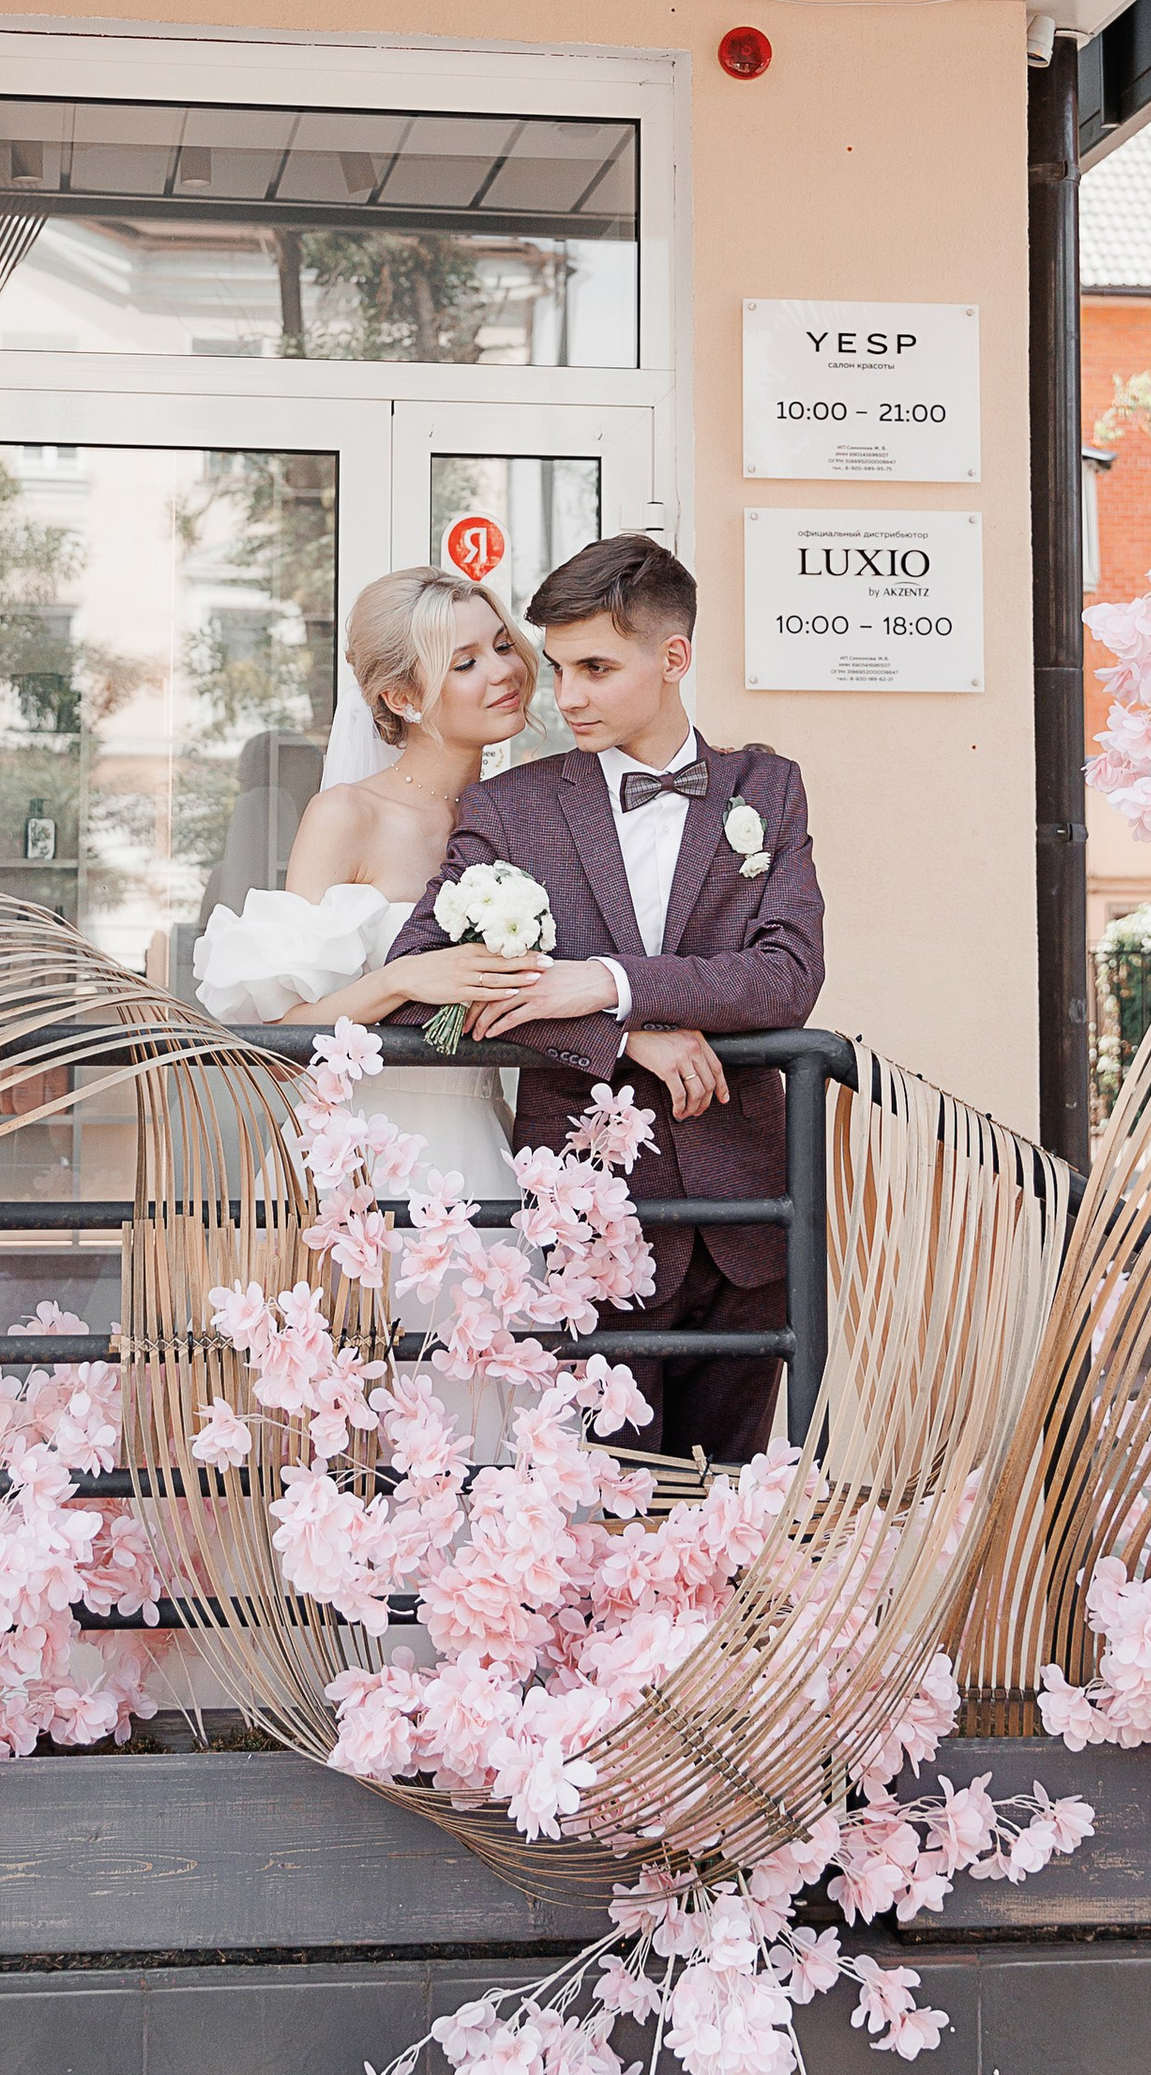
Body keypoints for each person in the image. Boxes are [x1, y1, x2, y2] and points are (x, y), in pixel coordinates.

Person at [386, 531, 825, 1463]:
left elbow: (788, 974)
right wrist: (616, 1031)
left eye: (595, 667)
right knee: (602, 1510)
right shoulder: (511, 808)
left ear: (674, 657)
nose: (567, 696)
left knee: (732, 1508)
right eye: (557, 667)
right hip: (586, 1227)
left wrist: (612, 979)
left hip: (752, 1221)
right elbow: (420, 986)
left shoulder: (768, 787)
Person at [189, 561, 549, 1236]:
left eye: (503, 645)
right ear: (403, 698)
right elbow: (282, 1036)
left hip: (483, 1146)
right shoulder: (346, 816)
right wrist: (400, 980)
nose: (504, 670)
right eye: (466, 662)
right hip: (361, 1162)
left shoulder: (525, 818)